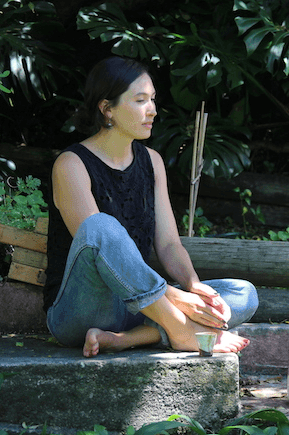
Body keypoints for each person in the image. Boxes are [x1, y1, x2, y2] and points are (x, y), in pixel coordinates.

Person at [43, 56, 258, 358]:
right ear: (107, 109)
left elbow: (169, 244)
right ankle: (180, 330)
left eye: (153, 99)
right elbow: (94, 243)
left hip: (141, 305)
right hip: (83, 309)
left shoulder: (152, 162)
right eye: (140, 100)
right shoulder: (71, 165)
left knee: (243, 294)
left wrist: (192, 285)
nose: (153, 110)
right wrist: (176, 298)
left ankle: (123, 339)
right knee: (101, 226)